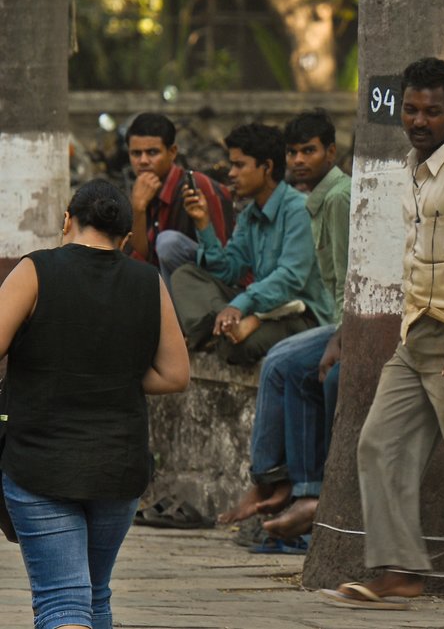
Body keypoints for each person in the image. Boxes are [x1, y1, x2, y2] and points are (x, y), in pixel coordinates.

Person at [321, 58, 444, 611]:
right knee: (378, 442)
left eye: (432, 111)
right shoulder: (414, 166)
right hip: (417, 338)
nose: (419, 119)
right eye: (411, 109)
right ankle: (399, 569)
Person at [0, 179, 190, 629]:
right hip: (118, 469)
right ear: (125, 238)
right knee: (93, 594)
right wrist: (109, 372)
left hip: (40, 463)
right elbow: (174, 375)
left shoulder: (35, 270)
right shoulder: (147, 280)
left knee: (63, 603)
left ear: (67, 220)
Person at [219, 110, 351, 534]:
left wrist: (342, 335)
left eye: (309, 151)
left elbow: (344, 280)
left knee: (286, 363)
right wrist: (204, 225)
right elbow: (229, 264)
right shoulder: (313, 200)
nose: (299, 160)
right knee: (285, 363)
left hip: (328, 318)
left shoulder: (337, 199)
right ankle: (290, 488)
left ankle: (299, 492)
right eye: (293, 151)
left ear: (331, 151)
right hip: (326, 319)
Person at [169, 122, 335, 366]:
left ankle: (222, 330)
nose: (231, 174)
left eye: (239, 165)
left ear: (266, 167)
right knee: (185, 276)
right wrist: (204, 224)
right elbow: (228, 270)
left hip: (300, 314)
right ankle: (224, 326)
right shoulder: (249, 215)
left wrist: (240, 306)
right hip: (260, 304)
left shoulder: (299, 209)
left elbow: (290, 278)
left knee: (235, 348)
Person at [124, 112, 236, 288]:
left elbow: (225, 258)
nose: (143, 161)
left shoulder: (198, 186)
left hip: (210, 287)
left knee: (168, 243)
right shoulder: (141, 191)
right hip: (160, 286)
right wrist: (138, 209)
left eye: (152, 152)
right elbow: (140, 259)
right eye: (136, 153)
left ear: (172, 152)